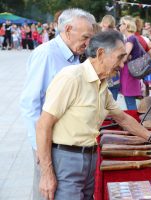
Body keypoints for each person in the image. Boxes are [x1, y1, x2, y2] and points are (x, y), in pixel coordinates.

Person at [36, 30, 151, 199]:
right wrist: (46, 173)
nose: (121, 65)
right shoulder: (71, 77)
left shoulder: (101, 84)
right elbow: (43, 124)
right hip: (66, 160)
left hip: (90, 158)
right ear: (101, 53)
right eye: (119, 57)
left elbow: (123, 118)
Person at [19, 8, 95, 200]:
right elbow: (30, 104)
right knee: (47, 189)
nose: (88, 43)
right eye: (85, 37)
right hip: (48, 142)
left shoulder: (76, 55)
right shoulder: (46, 54)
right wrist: (38, 146)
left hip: (67, 143)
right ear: (68, 29)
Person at [118, 15, 143, 110]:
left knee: (130, 101)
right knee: (129, 100)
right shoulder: (132, 38)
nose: (119, 26)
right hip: (130, 72)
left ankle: (134, 122)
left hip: (129, 73)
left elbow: (124, 58)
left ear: (126, 25)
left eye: (121, 24)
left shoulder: (130, 39)